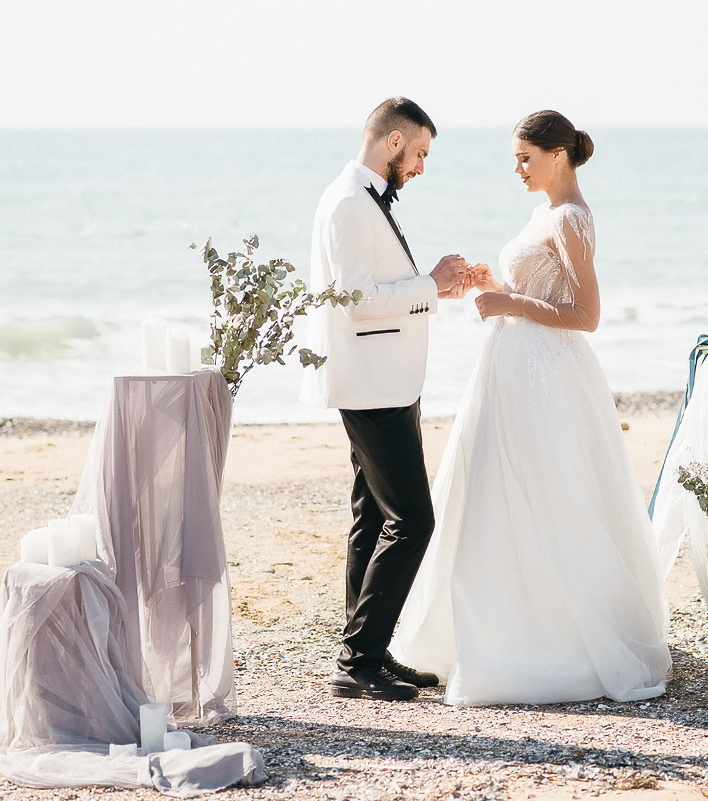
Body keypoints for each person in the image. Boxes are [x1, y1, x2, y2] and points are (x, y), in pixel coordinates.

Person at [390, 111, 672, 706]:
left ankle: (549, 637)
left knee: (548, 493)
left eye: (526, 158)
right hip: (514, 366)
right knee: (494, 489)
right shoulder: (544, 212)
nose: (517, 169)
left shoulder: (570, 218)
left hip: (546, 375)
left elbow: (586, 315)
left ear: (559, 155)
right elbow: (541, 290)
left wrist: (509, 302)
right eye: (515, 158)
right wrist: (488, 286)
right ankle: (483, 626)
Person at [300, 97, 471, 701]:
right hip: (371, 386)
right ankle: (359, 658)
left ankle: (364, 649)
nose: (422, 166)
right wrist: (430, 282)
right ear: (393, 142)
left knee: (373, 518)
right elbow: (354, 298)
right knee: (412, 520)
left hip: (387, 381)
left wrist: (433, 288)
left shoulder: (359, 196)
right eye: (420, 152)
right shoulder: (349, 202)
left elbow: (378, 290)